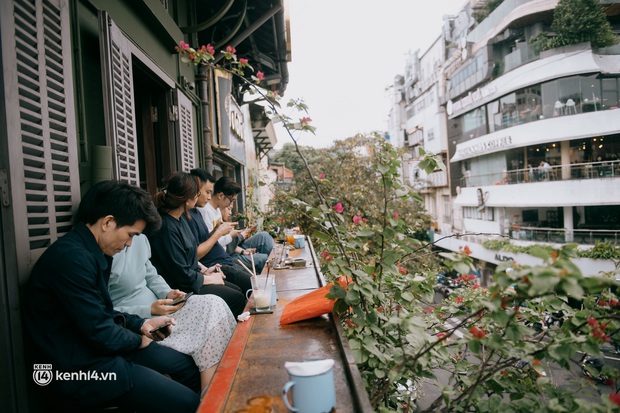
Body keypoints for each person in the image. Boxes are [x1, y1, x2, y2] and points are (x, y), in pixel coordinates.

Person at [23, 181, 200, 413]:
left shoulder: (91, 252)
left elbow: (101, 313)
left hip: (97, 349)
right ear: (107, 222)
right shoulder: (72, 259)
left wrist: (141, 324)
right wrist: (139, 339)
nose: (129, 244)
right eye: (129, 235)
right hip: (76, 368)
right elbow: (100, 332)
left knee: (185, 365)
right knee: (186, 402)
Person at [109, 234, 237, 391]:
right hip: (138, 317)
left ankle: (219, 382)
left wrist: (168, 293)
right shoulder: (105, 251)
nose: (130, 242)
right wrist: (148, 309)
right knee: (210, 312)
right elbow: (105, 309)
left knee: (213, 302)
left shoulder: (140, 238)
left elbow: (150, 274)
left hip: (161, 306)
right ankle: (212, 391)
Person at [147, 171, 246, 318]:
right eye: (197, 193)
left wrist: (206, 270)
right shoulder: (166, 227)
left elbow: (190, 254)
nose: (199, 196)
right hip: (181, 288)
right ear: (187, 199)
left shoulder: (182, 219)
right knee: (236, 298)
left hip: (194, 277)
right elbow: (180, 274)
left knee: (237, 289)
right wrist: (210, 279)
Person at [188, 169, 255, 285]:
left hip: (223, 259)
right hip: (216, 263)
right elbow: (196, 253)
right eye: (207, 192)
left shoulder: (197, 212)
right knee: (251, 283)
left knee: (253, 278)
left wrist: (216, 231)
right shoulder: (201, 211)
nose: (209, 197)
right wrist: (223, 233)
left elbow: (205, 239)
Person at [198, 176, 274, 274]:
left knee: (264, 236)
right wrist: (231, 235)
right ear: (221, 196)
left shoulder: (217, 209)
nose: (231, 205)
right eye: (231, 200)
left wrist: (241, 249)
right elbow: (212, 244)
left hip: (230, 249)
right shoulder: (205, 212)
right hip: (222, 257)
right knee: (263, 258)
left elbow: (221, 237)